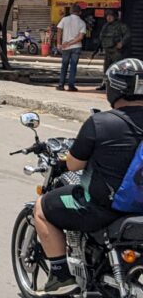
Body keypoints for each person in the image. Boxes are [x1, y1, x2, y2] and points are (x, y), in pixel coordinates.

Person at [34, 58, 143, 295]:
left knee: (42, 206)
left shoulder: (101, 122)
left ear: (114, 88)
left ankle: (61, 273)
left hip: (102, 210)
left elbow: (73, 164)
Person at [95, 9, 131, 91]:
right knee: (106, 69)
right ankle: (104, 84)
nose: (109, 17)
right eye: (107, 16)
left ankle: (119, 85)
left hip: (116, 51)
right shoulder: (106, 26)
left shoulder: (121, 25)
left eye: (111, 16)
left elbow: (128, 35)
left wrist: (121, 43)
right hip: (108, 51)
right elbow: (101, 36)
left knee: (118, 68)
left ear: (115, 16)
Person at [56, 3, 86, 91]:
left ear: (71, 11)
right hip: (76, 47)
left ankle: (61, 85)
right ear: (79, 12)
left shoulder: (64, 19)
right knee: (73, 66)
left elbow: (59, 31)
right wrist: (70, 43)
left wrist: (59, 43)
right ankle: (71, 86)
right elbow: (80, 37)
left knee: (64, 65)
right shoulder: (82, 22)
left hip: (65, 47)